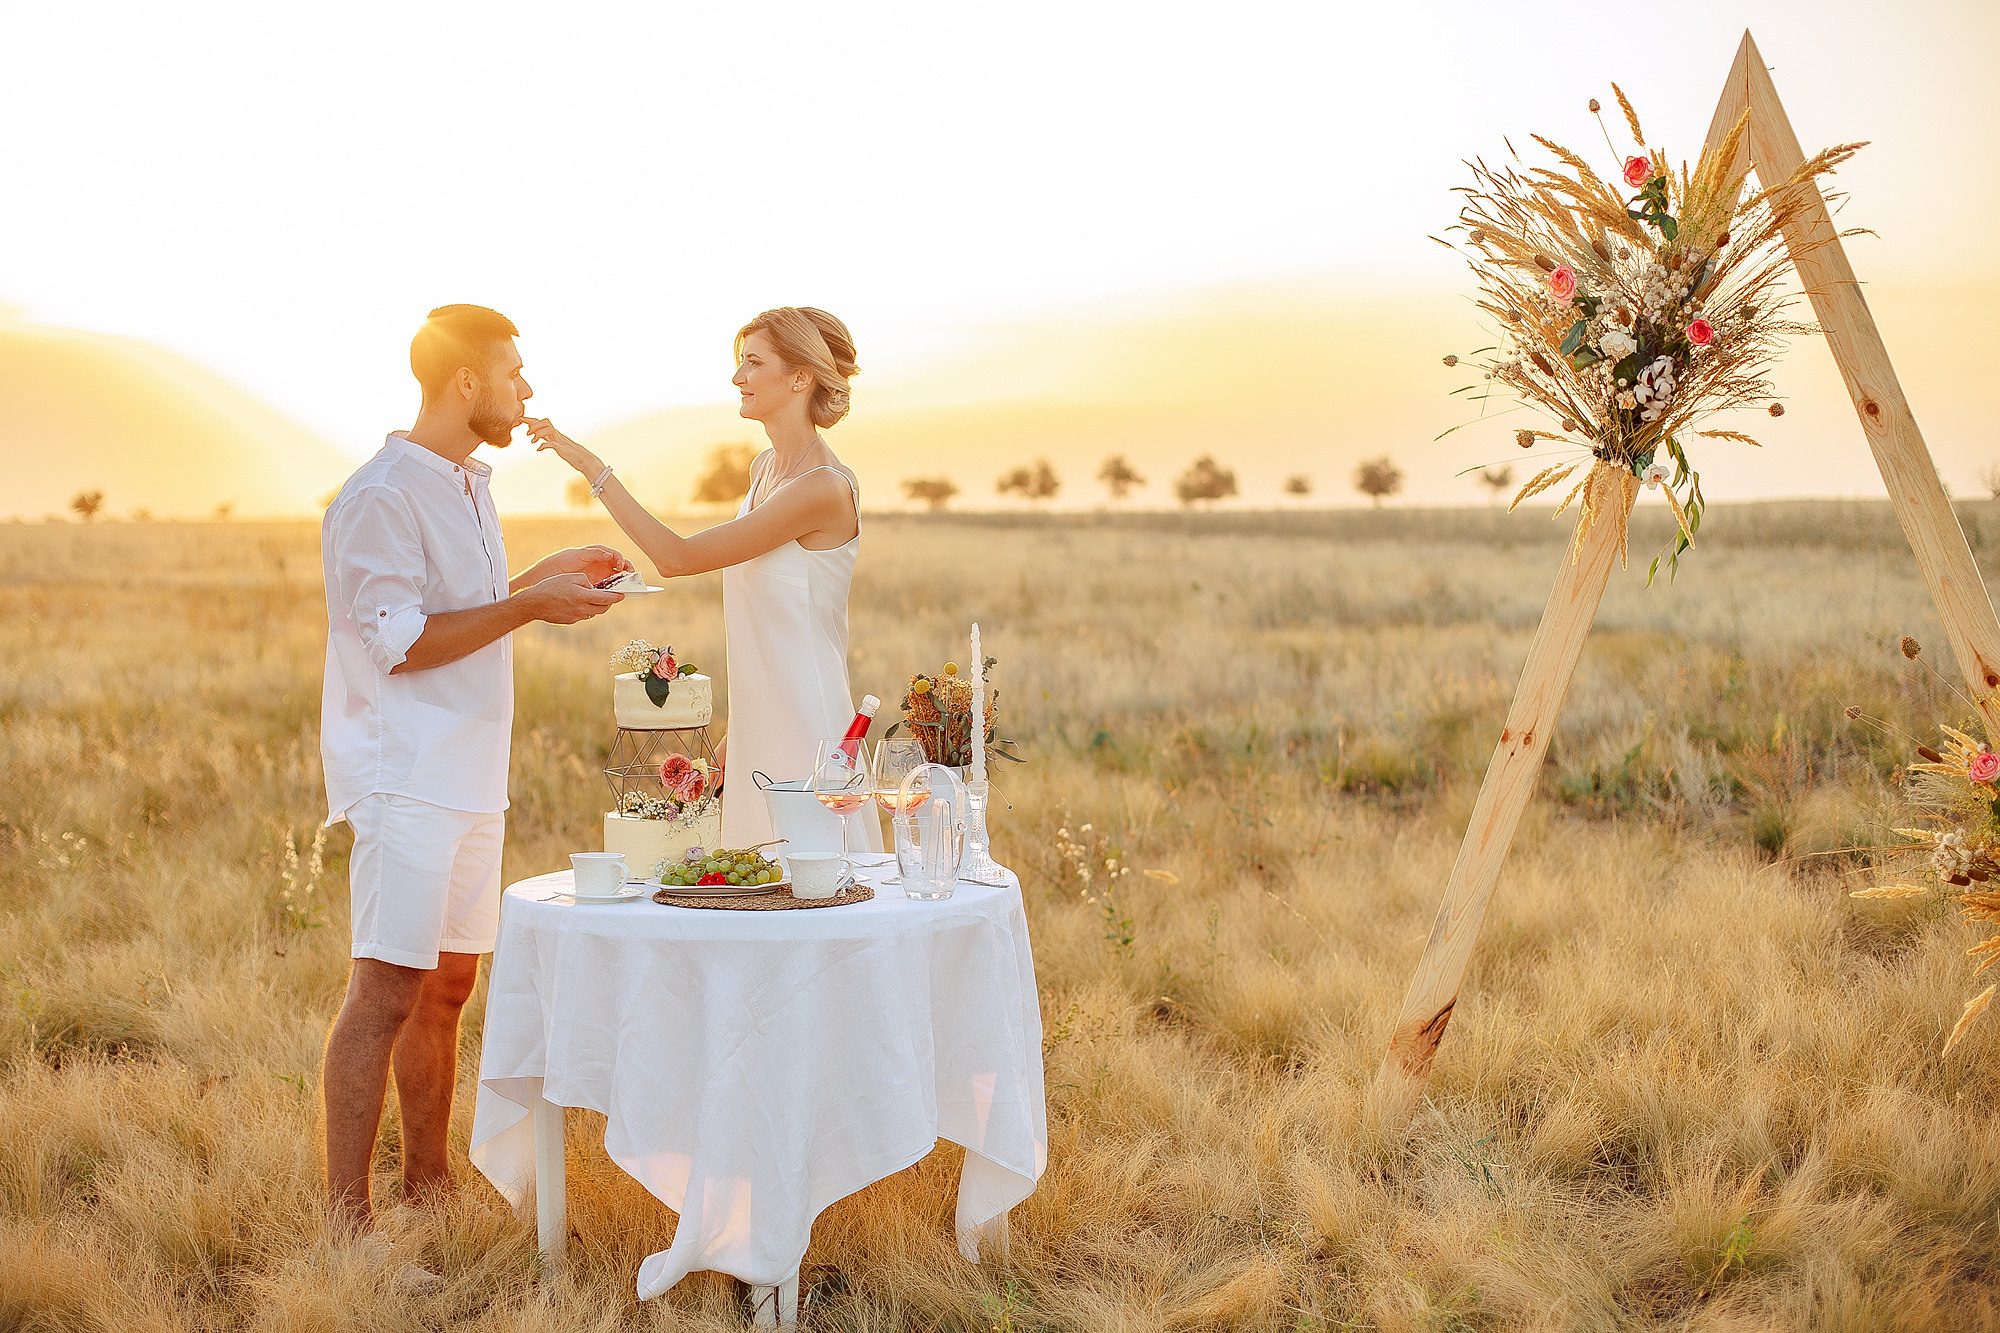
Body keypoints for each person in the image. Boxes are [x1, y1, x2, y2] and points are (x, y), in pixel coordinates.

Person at [318, 305, 630, 1272]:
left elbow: (456, 605)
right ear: (466, 383)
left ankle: (430, 1189)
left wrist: (545, 574)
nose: (525, 392)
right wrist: (534, 603)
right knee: (387, 986)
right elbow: (401, 643)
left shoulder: (466, 482)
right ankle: (349, 1227)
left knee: (449, 986)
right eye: (513, 372)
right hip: (404, 775)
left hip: (468, 778)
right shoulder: (379, 495)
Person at [529, 306, 880, 850]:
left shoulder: (823, 488)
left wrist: (593, 470)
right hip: (758, 728)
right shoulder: (764, 469)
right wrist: (734, 739)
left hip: (809, 728)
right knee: (754, 897)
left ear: (800, 377)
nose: (738, 377)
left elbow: (677, 557)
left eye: (752, 362)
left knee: (815, 894)